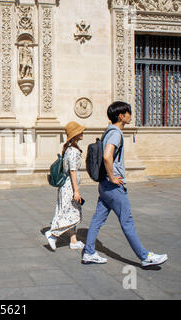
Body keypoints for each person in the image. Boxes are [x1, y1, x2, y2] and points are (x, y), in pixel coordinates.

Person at [82, 101, 168, 267]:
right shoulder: (115, 133)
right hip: (113, 186)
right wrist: (113, 177)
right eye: (128, 113)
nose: (131, 115)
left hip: (104, 186)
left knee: (97, 220)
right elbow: (107, 156)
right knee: (127, 221)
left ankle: (89, 252)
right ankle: (145, 257)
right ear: (121, 116)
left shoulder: (108, 131)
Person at [45, 121, 86, 251]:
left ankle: (73, 241)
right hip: (70, 187)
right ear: (76, 134)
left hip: (67, 186)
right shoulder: (73, 151)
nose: (82, 132)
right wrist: (76, 191)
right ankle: (53, 234)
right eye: (80, 131)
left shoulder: (69, 149)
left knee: (69, 212)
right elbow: (73, 171)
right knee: (72, 214)